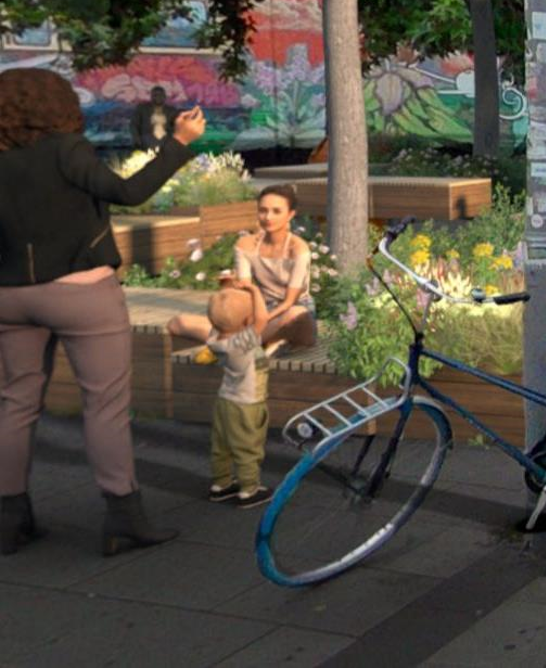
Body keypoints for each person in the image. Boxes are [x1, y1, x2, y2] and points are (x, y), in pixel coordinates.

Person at [0, 68, 203, 557]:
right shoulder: (67, 149)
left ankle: (8, 518)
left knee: (15, 403)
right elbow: (128, 192)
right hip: (80, 292)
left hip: (9, 296)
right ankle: (123, 517)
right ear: (57, 105)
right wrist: (177, 144)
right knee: (105, 404)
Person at [165, 184, 318, 351]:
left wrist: (260, 320)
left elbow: (289, 301)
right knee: (178, 322)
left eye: (276, 211)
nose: (268, 217)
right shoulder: (246, 245)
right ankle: (257, 341)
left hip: (290, 311)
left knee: (297, 315)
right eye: (263, 210)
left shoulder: (298, 249)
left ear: (290, 215)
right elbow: (245, 291)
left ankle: (239, 341)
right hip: (260, 308)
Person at [202, 283, 281, 509]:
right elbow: (262, 320)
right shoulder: (241, 344)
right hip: (247, 404)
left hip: (225, 400)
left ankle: (221, 484)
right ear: (246, 323)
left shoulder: (215, 338)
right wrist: (255, 291)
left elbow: (224, 319)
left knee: (222, 445)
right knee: (248, 446)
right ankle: (249, 489)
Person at [130, 86, 178, 153]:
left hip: (166, 141)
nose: (158, 97)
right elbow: (134, 125)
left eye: (160, 95)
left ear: (165, 97)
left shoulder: (172, 111)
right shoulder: (142, 109)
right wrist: (137, 140)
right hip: (147, 140)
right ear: (151, 96)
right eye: (155, 95)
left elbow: (177, 127)